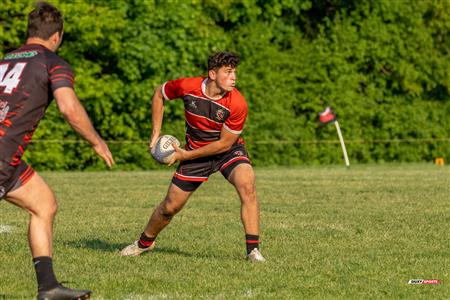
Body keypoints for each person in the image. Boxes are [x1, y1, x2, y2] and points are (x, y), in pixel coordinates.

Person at [0, 2, 114, 299]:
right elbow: (69, 107)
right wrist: (96, 141)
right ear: (57, 36)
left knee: (44, 204)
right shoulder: (52, 62)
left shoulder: (6, 60)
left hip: (8, 159)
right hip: (1, 155)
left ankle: (48, 287)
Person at [120, 52, 265, 262]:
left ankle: (253, 251)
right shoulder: (188, 87)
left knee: (247, 184)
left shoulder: (237, 103)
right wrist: (155, 135)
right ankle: (144, 243)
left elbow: (224, 143)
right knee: (170, 207)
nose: (234, 77)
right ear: (212, 74)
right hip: (195, 153)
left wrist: (185, 154)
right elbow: (159, 93)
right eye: (228, 72)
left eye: (235, 72)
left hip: (227, 151)